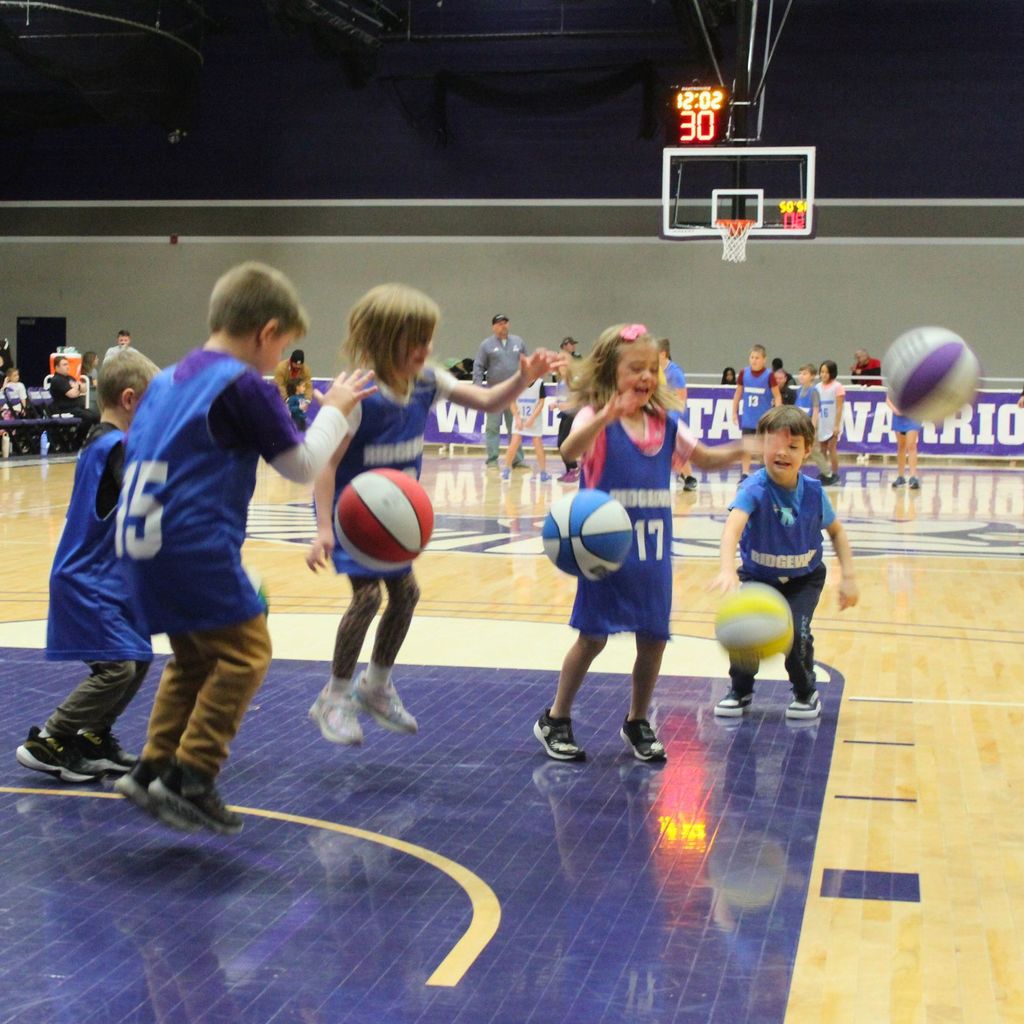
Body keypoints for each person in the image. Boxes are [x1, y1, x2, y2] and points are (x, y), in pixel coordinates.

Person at [113, 262, 378, 836]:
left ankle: (152, 764)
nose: (281, 361)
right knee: (246, 651)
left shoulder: (167, 380)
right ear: (267, 332)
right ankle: (192, 775)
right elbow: (304, 465)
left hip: (140, 543)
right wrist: (333, 412)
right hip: (191, 545)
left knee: (194, 657)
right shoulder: (240, 385)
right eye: (283, 347)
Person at [307, 283, 558, 748]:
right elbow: (325, 464)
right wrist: (323, 529)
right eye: (415, 340)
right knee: (367, 599)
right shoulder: (358, 394)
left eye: (428, 339)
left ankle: (376, 686)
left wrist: (524, 379)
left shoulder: (426, 378)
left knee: (406, 596)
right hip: (354, 517)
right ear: (384, 340)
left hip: (393, 520)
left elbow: (486, 402)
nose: (426, 349)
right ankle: (335, 695)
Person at [532, 323, 752, 765]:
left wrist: (748, 446)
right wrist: (608, 417)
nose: (647, 376)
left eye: (652, 368)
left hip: (652, 555)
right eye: (636, 368)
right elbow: (570, 451)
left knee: (653, 640)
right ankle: (556, 717)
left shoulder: (666, 423)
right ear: (611, 371)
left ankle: (637, 720)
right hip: (604, 555)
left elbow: (704, 459)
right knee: (591, 638)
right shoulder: (596, 416)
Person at [16, 349, 160, 782]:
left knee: (138, 653)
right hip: (87, 580)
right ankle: (50, 738)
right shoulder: (115, 448)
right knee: (118, 667)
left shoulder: (103, 442)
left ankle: (94, 736)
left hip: (101, 577)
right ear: (132, 400)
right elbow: (150, 504)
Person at [711, 405, 859, 720]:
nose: (782, 453)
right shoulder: (754, 487)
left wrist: (849, 577)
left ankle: (806, 693)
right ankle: (740, 690)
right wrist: (726, 568)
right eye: (775, 445)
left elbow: (837, 533)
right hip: (757, 575)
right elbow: (732, 529)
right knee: (744, 631)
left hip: (804, 578)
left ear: (806, 452)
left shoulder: (814, 493)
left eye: (792, 447)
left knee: (797, 634)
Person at [473, 314, 529, 469]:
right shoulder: (486, 345)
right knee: (492, 427)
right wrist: (478, 386)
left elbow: (526, 363)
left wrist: (528, 381)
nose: (503, 326)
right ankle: (492, 459)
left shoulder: (518, 342)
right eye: (499, 324)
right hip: (495, 394)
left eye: (505, 323)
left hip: (514, 394)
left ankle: (517, 460)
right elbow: (478, 365)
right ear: (493, 327)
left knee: (515, 427)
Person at [731, 344, 781, 480]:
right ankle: (745, 473)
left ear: (764, 359)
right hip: (748, 419)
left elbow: (777, 396)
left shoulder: (769, 375)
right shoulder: (744, 373)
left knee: (764, 448)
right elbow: (738, 394)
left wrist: (777, 414)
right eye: (752, 357)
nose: (754, 360)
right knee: (745, 447)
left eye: (757, 358)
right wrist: (734, 412)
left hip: (764, 420)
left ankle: (764, 473)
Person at [657, 338, 698, 492]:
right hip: (660, 416)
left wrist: (672, 416)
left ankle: (689, 477)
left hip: (673, 417)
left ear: (663, 354)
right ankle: (682, 475)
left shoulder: (675, 372)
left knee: (677, 449)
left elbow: (682, 398)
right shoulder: (655, 371)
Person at [502, 376, 550, 481]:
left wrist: (532, 418)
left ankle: (543, 472)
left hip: (534, 418)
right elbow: (512, 402)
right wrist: (517, 417)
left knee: (538, 444)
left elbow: (541, 403)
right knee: (514, 443)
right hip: (520, 417)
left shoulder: (539, 383)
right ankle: (506, 469)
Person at [50, 354, 100, 440]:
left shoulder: (69, 377)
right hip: (64, 409)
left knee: (97, 416)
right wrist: (78, 387)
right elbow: (72, 394)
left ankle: (95, 440)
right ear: (57, 367)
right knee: (88, 417)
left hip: (77, 407)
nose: (68, 367)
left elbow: (84, 389)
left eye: (68, 364)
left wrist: (77, 388)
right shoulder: (57, 380)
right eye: (64, 365)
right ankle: (78, 440)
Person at [554, 338, 581, 482]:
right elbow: (563, 398)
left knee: (564, 443)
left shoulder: (574, 378)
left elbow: (579, 398)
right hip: (565, 414)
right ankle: (569, 470)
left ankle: (574, 468)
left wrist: (565, 405)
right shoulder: (562, 380)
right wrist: (556, 403)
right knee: (560, 443)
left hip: (573, 414)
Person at [815, 360, 845, 486]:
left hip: (833, 422)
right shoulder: (817, 388)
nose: (824, 374)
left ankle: (835, 474)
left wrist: (837, 425)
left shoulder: (837, 387)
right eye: (822, 372)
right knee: (822, 449)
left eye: (826, 372)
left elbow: (839, 408)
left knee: (831, 448)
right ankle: (825, 472)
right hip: (822, 422)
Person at [887, 396, 921, 489]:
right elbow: (887, 397)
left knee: (911, 445)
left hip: (913, 415)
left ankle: (913, 477)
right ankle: (901, 477)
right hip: (899, 416)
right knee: (901, 446)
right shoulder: (895, 383)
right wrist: (895, 410)